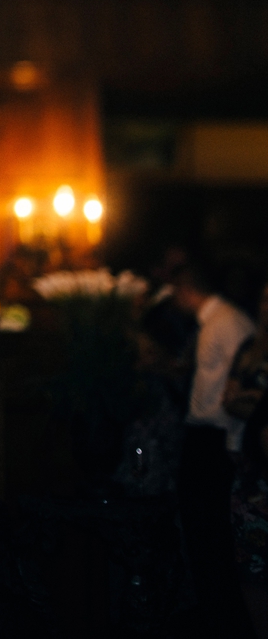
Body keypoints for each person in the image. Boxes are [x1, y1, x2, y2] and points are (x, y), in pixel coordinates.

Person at [172, 261, 257, 636]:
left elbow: (244, 384)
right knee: (200, 530)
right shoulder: (214, 323)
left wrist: (234, 443)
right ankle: (213, 614)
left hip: (218, 439)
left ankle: (226, 619)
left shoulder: (228, 322)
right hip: (204, 436)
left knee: (214, 533)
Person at [225, 283, 268, 637]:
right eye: (265, 297)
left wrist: (256, 401)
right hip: (250, 471)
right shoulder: (249, 348)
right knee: (251, 567)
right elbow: (230, 399)